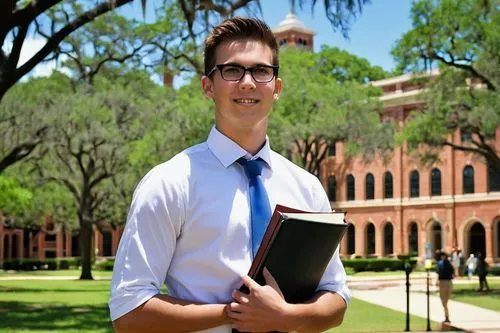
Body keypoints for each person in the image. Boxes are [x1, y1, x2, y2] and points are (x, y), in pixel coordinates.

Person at [109, 17, 350, 333]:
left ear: (276, 88)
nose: (248, 83)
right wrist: (233, 313)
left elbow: (337, 297)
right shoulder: (170, 182)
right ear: (208, 86)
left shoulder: (306, 187)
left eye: (261, 71)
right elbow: (129, 310)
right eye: (232, 70)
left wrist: (287, 317)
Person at [436, 251, 454, 323]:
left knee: (444, 301)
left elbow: (438, 272)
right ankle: (447, 316)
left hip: (445, 282)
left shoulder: (441, 263)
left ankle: (447, 316)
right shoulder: (448, 264)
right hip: (446, 282)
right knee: (444, 301)